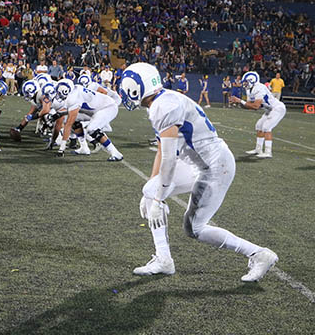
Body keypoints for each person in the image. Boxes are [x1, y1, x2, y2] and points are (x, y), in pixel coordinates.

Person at [119, 63, 278, 282]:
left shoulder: (162, 107)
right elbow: (162, 151)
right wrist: (152, 191)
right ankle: (164, 260)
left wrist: (158, 199)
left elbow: (169, 159)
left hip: (213, 167)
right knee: (150, 189)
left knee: (194, 227)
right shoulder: (163, 100)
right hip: (201, 162)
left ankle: (258, 253)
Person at [55, 79, 123, 161]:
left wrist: (61, 149)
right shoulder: (76, 89)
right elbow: (72, 111)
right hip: (96, 109)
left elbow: (69, 123)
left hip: (108, 107)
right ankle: (84, 147)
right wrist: (59, 114)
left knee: (91, 129)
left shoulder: (73, 98)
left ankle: (115, 153)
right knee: (73, 121)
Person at [230, 71, 286, 159]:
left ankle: (268, 152)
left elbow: (256, 106)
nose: (244, 84)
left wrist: (240, 101)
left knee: (266, 127)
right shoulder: (249, 89)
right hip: (269, 109)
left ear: (252, 81)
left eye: (246, 82)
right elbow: (249, 105)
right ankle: (258, 149)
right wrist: (238, 103)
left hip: (277, 108)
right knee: (259, 126)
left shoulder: (259, 88)